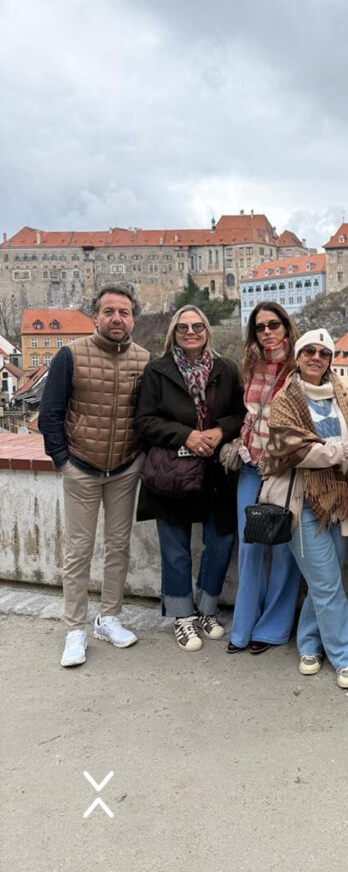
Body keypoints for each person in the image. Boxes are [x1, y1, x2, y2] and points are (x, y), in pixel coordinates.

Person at [39, 284, 150, 668]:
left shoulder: (144, 360)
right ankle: (75, 629)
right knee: (78, 551)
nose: (116, 318)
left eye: (124, 312)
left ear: (133, 319)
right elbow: (50, 413)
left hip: (124, 468)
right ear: (96, 317)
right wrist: (62, 461)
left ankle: (109, 618)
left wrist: (138, 460)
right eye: (109, 311)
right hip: (82, 467)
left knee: (118, 547)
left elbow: (147, 416)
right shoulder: (70, 355)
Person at [261, 329, 348, 689]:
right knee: (326, 583)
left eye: (324, 353)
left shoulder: (341, 393)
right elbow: (296, 452)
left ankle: (309, 644)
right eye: (309, 351)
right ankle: (346, 656)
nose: (316, 357)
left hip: (339, 500)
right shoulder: (285, 399)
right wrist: (347, 450)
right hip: (302, 500)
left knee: (325, 580)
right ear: (298, 358)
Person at [135, 306, 245, 652]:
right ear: (174, 333)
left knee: (221, 541)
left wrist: (220, 430)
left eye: (197, 326)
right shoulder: (158, 370)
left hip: (216, 472)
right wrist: (186, 435)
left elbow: (241, 413)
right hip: (173, 470)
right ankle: (182, 615)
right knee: (175, 547)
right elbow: (145, 421)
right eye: (183, 327)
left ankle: (207, 609)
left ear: (207, 331)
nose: (191, 332)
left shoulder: (226, 369)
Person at [227, 301, 302, 655]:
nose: (267, 332)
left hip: (284, 469)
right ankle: (242, 627)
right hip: (250, 465)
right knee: (249, 545)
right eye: (260, 327)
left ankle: (272, 628)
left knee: (284, 548)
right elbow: (247, 412)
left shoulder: (299, 365)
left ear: (286, 326)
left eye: (274, 325)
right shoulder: (250, 363)